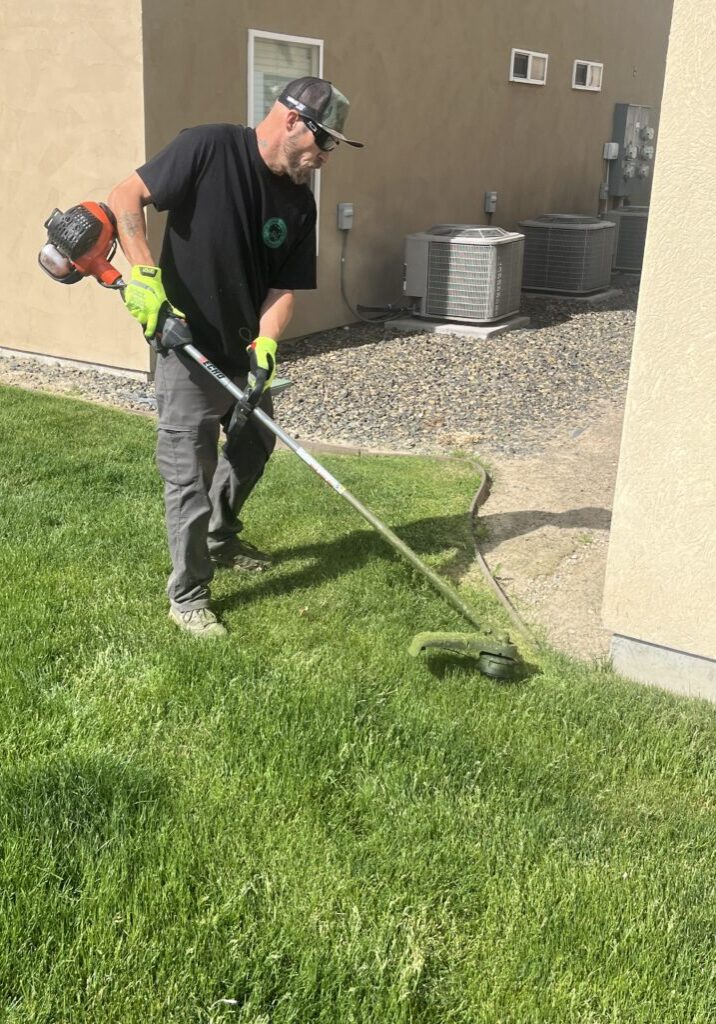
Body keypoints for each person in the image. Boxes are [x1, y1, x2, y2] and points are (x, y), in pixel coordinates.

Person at [107, 77, 363, 638]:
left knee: (254, 444)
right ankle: (189, 594)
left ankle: (220, 536)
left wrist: (268, 340)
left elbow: (283, 289)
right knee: (188, 475)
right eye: (323, 144)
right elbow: (125, 197)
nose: (324, 158)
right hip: (185, 345)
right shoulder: (207, 147)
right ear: (293, 121)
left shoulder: (299, 202)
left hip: (243, 352)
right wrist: (145, 274)